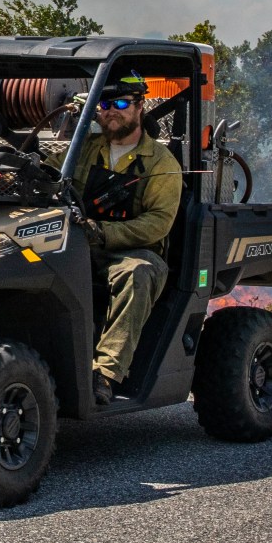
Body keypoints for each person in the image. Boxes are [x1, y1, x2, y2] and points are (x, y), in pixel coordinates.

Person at [72, 72, 183, 406]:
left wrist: (103, 232)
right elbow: (48, 176)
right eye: (104, 104)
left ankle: (104, 373)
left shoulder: (162, 163)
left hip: (135, 253)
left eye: (121, 103)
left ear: (140, 106)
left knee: (136, 274)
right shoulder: (83, 150)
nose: (112, 111)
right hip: (78, 245)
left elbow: (158, 224)